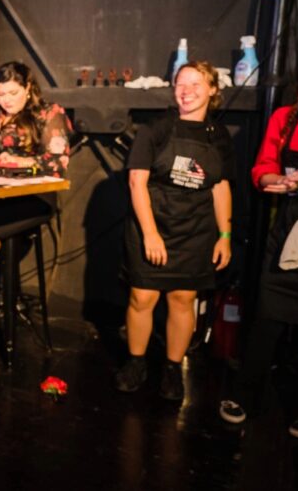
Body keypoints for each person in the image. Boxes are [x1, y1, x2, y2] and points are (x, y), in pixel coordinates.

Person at [116, 60, 233, 401]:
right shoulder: (156, 130)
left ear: (213, 91)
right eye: (181, 83)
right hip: (152, 222)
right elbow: (137, 182)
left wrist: (225, 236)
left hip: (195, 231)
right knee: (143, 297)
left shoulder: (219, 136)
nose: (187, 90)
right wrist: (151, 234)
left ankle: (171, 368)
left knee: (183, 299)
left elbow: (221, 187)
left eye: (196, 84)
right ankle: (136, 363)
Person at [218, 51, 298, 438]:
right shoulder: (284, 118)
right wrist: (278, 181)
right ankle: (244, 395)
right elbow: (262, 168)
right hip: (290, 227)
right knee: (267, 317)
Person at [0, 62, 71, 309]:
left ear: (28, 88)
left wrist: (23, 161)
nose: (6, 100)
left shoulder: (48, 113)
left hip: (32, 199)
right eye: (1, 94)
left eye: (13, 93)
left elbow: (58, 163)